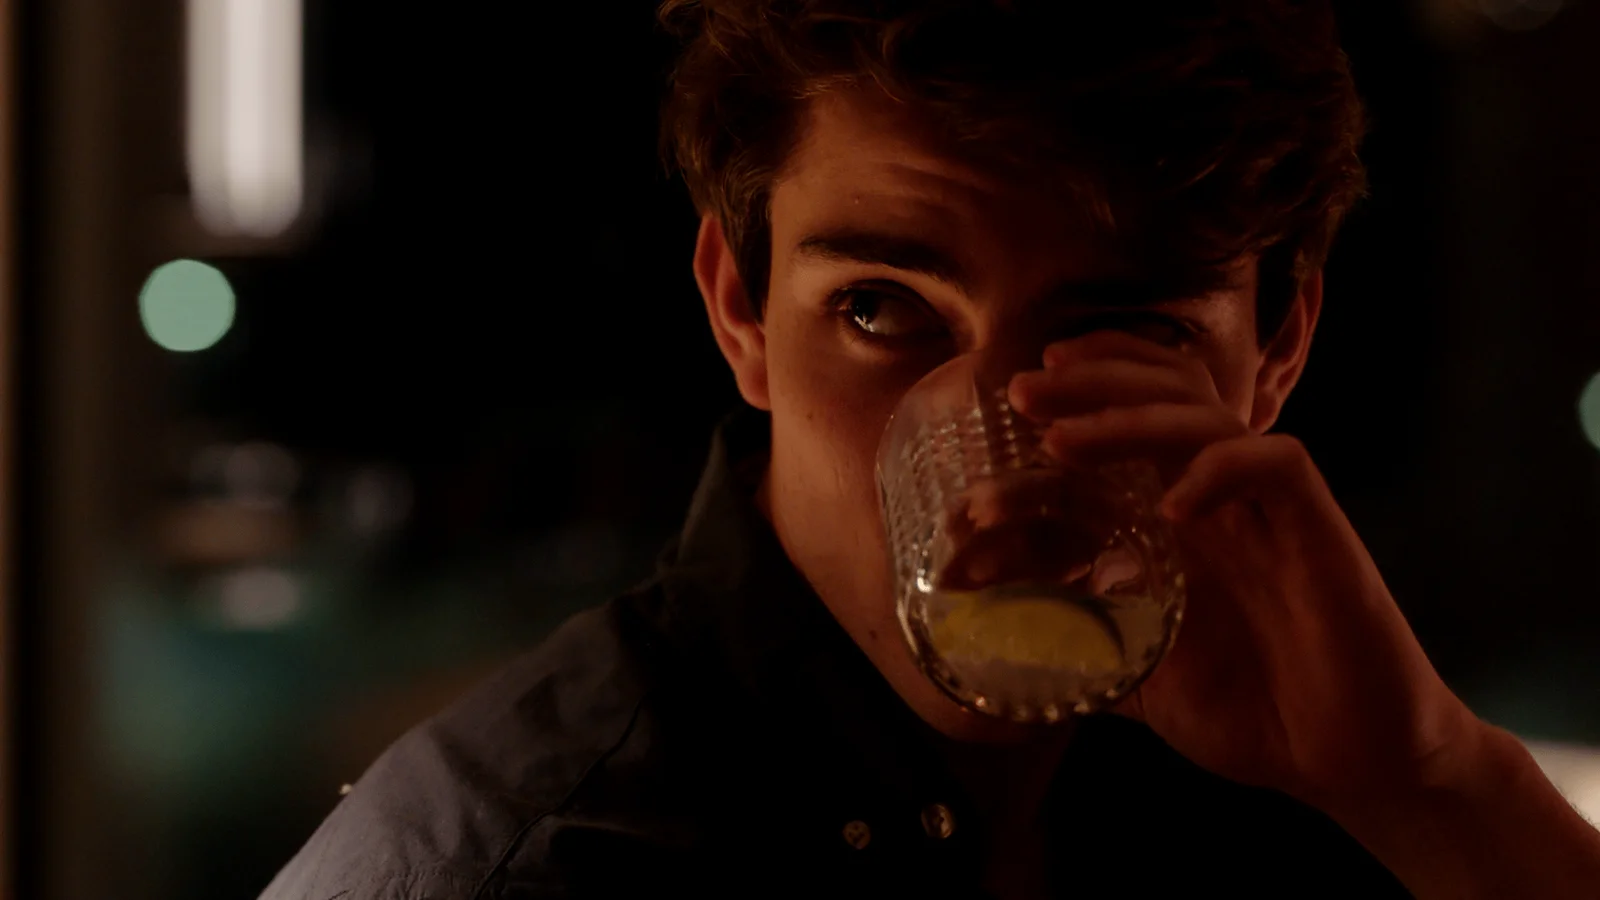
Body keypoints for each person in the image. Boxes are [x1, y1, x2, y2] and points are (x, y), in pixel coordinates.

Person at [260, 2, 1600, 897]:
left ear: (1280, 348)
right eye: (880, 311)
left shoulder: (1328, 800)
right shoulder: (522, 866)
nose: (1002, 477)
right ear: (739, 310)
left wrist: (1435, 785)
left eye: (1124, 334)